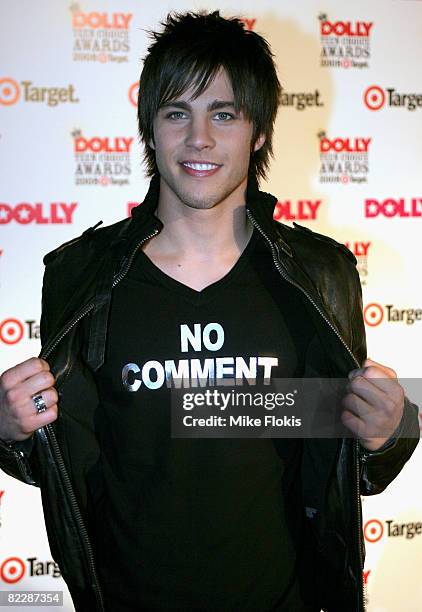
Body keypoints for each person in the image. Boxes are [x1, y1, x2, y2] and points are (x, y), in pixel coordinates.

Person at [0, 10, 419, 612]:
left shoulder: (318, 276)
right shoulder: (82, 278)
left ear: (259, 133)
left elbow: (347, 465)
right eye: (177, 113)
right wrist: (10, 432)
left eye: (223, 114)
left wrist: (391, 432)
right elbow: (62, 466)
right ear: (150, 128)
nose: (199, 139)